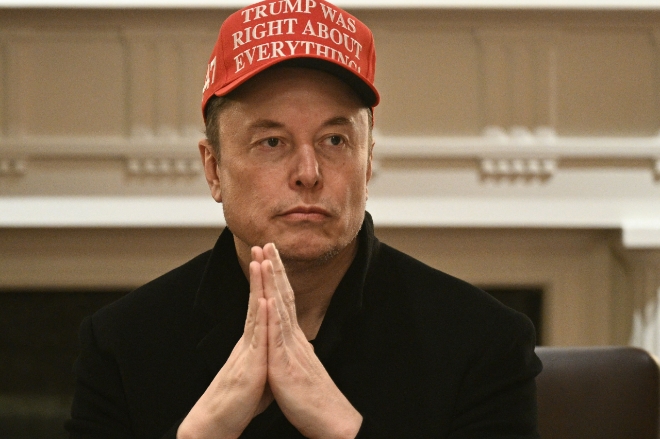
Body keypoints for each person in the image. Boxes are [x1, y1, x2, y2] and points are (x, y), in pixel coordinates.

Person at [66, 0, 542, 437]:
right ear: (214, 169)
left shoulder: (482, 342)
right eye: (271, 142)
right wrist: (204, 431)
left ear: (367, 162)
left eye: (335, 140)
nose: (308, 173)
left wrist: (342, 426)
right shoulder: (122, 346)